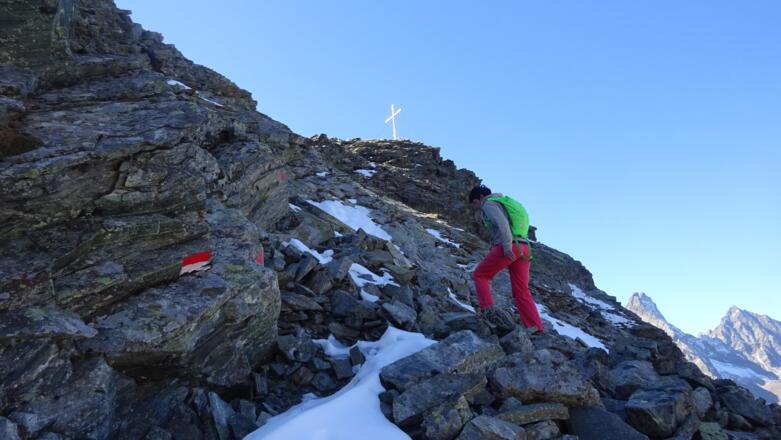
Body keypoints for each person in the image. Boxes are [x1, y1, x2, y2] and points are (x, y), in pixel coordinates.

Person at [469, 185, 544, 333]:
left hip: (509, 246)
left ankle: (489, 314)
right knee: (522, 290)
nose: (474, 207)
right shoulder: (503, 201)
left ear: (481, 197)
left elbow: (502, 223)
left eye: (474, 203)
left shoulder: (488, 204)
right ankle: (535, 327)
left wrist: (507, 246)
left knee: (480, 275)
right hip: (525, 247)